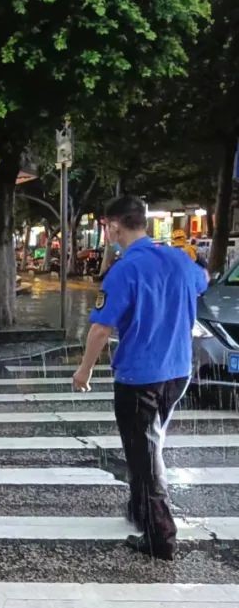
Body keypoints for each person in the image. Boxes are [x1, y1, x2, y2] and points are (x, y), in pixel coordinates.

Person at [73, 196, 209, 561]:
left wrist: (84, 369)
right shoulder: (178, 259)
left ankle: (160, 535)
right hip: (177, 371)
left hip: (139, 377)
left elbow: (101, 329)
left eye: (106, 226)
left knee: (145, 456)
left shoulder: (125, 270)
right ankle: (139, 508)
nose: (107, 232)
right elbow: (203, 281)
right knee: (147, 445)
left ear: (115, 226)